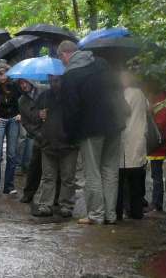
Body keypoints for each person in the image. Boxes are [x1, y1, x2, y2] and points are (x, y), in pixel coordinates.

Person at [57, 40, 130, 225]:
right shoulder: (102, 63)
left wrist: (71, 137)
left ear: (64, 55)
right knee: (110, 171)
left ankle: (96, 214)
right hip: (115, 124)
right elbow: (118, 89)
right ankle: (110, 215)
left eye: (61, 59)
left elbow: (70, 109)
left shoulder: (71, 74)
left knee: (93, 173)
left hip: (91, 129)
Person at [32, 74, 77, 218]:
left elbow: (79, 117)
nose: (53, 84)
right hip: (48, 144)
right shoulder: (44, 96)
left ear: (63, 80)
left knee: (68, 178)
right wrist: (39, 114)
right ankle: (46, 205)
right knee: (48, 177)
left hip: (67, 144)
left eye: (56, 81)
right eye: (51, 81)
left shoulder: (71, 97)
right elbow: (31, 114)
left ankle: (66, 206)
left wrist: (75, 140)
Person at [116, 71, 149, 220]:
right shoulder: (141, 94)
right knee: (136, 181)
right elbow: (149, 109)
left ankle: (117, 212)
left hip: (125, 141)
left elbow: (121, 112)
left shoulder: (124, 95)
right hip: (138, 140)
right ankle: (137, 211)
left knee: (119, 181)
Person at [0, 63, 22, 194]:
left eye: (5, 74)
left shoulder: (15, 85)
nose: (3, 77)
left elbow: (22, 99)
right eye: (0, 74)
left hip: (13, 119)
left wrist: (20, 113)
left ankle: (9, 186)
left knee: (11, 154)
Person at [16, 78, 47, 204]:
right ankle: (28, 194)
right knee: (34, 166)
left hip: (53, 133)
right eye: (21, 83)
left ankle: (55, 198)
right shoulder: (22, 101)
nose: (24, 85)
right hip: (38, 135)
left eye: (26, 82)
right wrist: (34, 130)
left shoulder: (44, 89)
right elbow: (25, 121)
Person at [144, 82, 166, 212]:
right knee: (155, 174)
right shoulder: (161, 100)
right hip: (158, 144)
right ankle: (155, 202)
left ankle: (156, 203)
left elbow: (161, 123)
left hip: (157, 145)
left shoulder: (161, 101)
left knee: (156, 175)